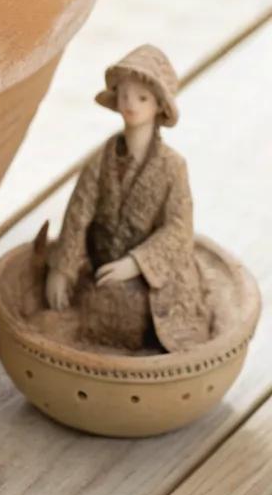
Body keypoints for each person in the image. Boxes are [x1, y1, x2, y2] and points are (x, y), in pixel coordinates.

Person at [44, 45, 210, 351]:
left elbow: (178, 228)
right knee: (83, 301)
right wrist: (62, 269)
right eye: (124, 94)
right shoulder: (103, 159)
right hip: (100, 263)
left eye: (142, 97)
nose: (130, 104)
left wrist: (136, 263)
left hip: (149, 276)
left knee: (128, 312)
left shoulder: (172, 166)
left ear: (159, 106)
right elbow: (78, 213)